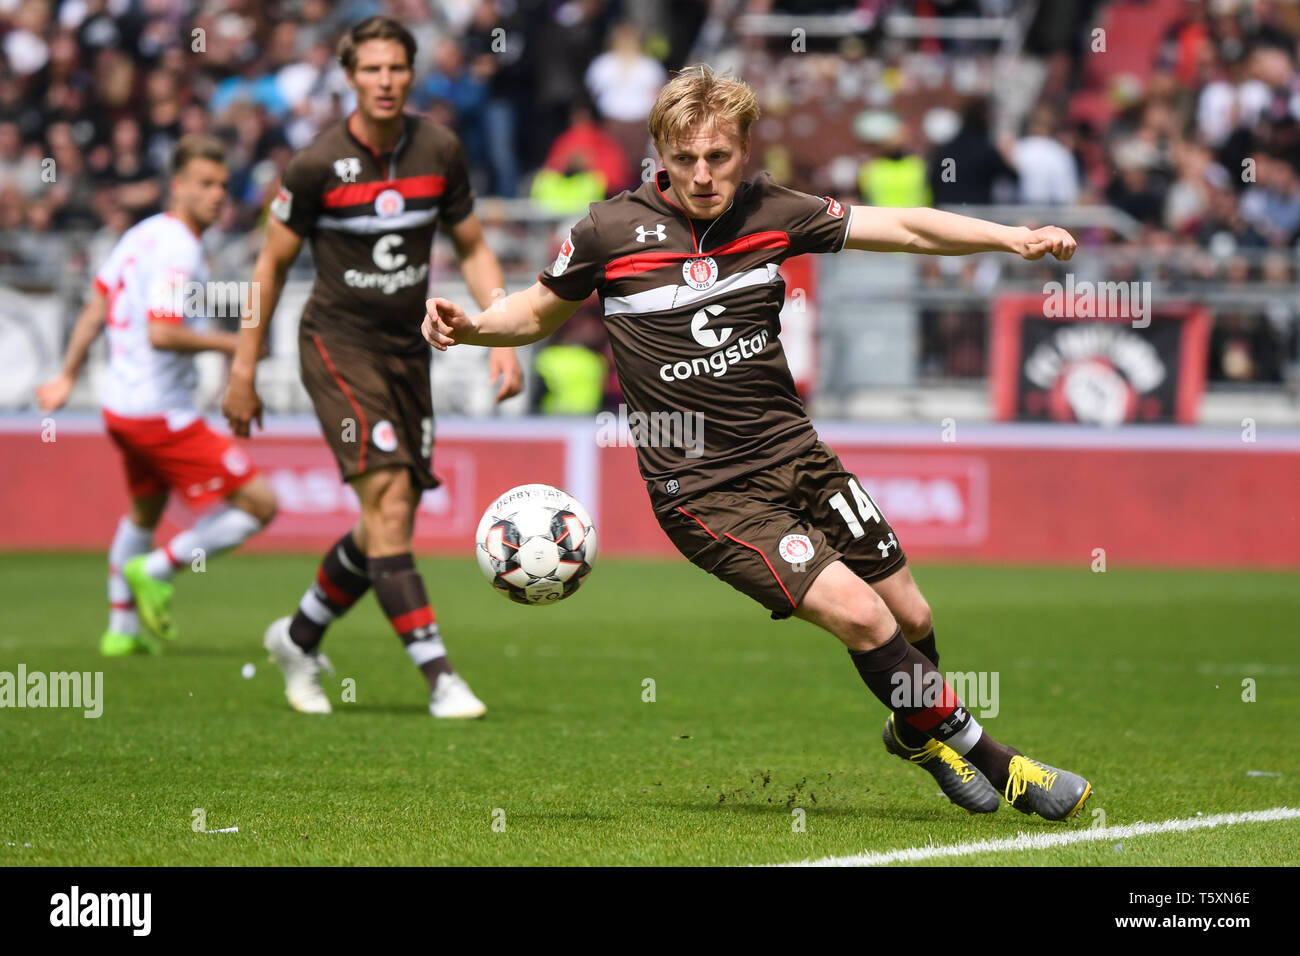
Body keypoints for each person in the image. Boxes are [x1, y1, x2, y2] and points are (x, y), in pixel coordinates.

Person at [423, 66, 1092, 819]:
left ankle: (916, 733)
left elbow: (902, 226)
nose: (703, 175)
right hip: (707, 491)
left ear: (744, 149)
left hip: (798, 454)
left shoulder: (774, 210)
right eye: (684, 159)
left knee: (910, 614)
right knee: (864, 618)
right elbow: (539, 313)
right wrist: (475, 326)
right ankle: (1003, 766)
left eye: (719, 157)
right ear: (659, 154)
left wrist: (1010, 236)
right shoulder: (607, 231)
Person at [221, 16, 522, 719]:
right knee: (386, 501)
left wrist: (502, 334)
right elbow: (268, 264)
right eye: (371, 70)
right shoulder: (316, 163)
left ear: (410, 74)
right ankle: (441, 678)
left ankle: (298, 637)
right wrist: (243, 368)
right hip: (337, 344)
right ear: (350, 77)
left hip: (409, 351)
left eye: (396, 69)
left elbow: (474, 247)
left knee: (388, 520)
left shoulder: (440, 149)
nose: (385, 81)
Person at [36, 134, 277, 657]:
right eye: (205, 184)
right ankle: (160, 568)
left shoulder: (141, 235)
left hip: (120, 407)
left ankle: (120, 631)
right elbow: (162, 333)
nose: (217, 195)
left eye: (222, 185)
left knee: (144, 512)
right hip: (157, 411)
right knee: (261, 504)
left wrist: (66, 375)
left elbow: (97, 307)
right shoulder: (180, 250)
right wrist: (237, 344)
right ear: (178, 187)